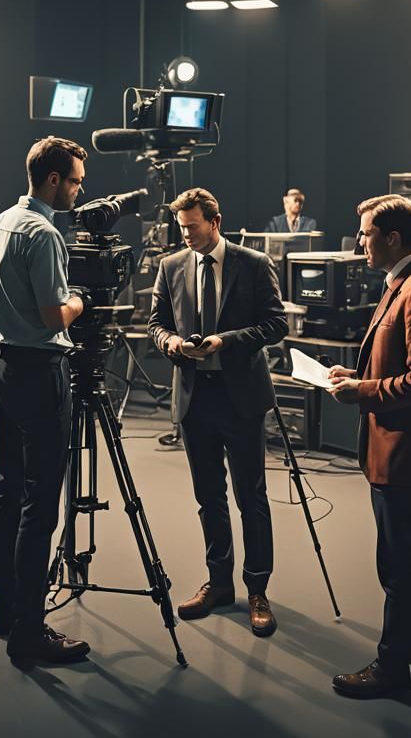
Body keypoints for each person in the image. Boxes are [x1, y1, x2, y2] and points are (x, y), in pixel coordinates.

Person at [327, 194, 411, 699]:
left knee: (400, 565)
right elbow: (400, 362)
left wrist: (360, 392)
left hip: (407, 453)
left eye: (365, 234)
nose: (359, 241)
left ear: (391, 238)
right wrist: (358, 374)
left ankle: (392, 669)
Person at [149, 187, 287, 637]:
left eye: (192, 226)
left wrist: (226, 340)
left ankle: (258, 589)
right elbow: (155, 323)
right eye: (180, 227)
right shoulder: (170, 266)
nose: (184, 234)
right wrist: (169, 342)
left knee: (252, 498)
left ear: (215, 221)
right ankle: (220, 583)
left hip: (241, 398)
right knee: (208, 497)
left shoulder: (253, 263)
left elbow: (276, 324)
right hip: (194, 399)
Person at [0, 136, 91, 667]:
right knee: (40, 502)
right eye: (74, 181)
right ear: (52, 180)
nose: (77, 190)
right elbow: (52, 317)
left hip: (0, 365)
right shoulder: (44, 235)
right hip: (38, 371)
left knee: (8, 488)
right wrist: (79, 301)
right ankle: (29, 628)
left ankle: (6, 609)